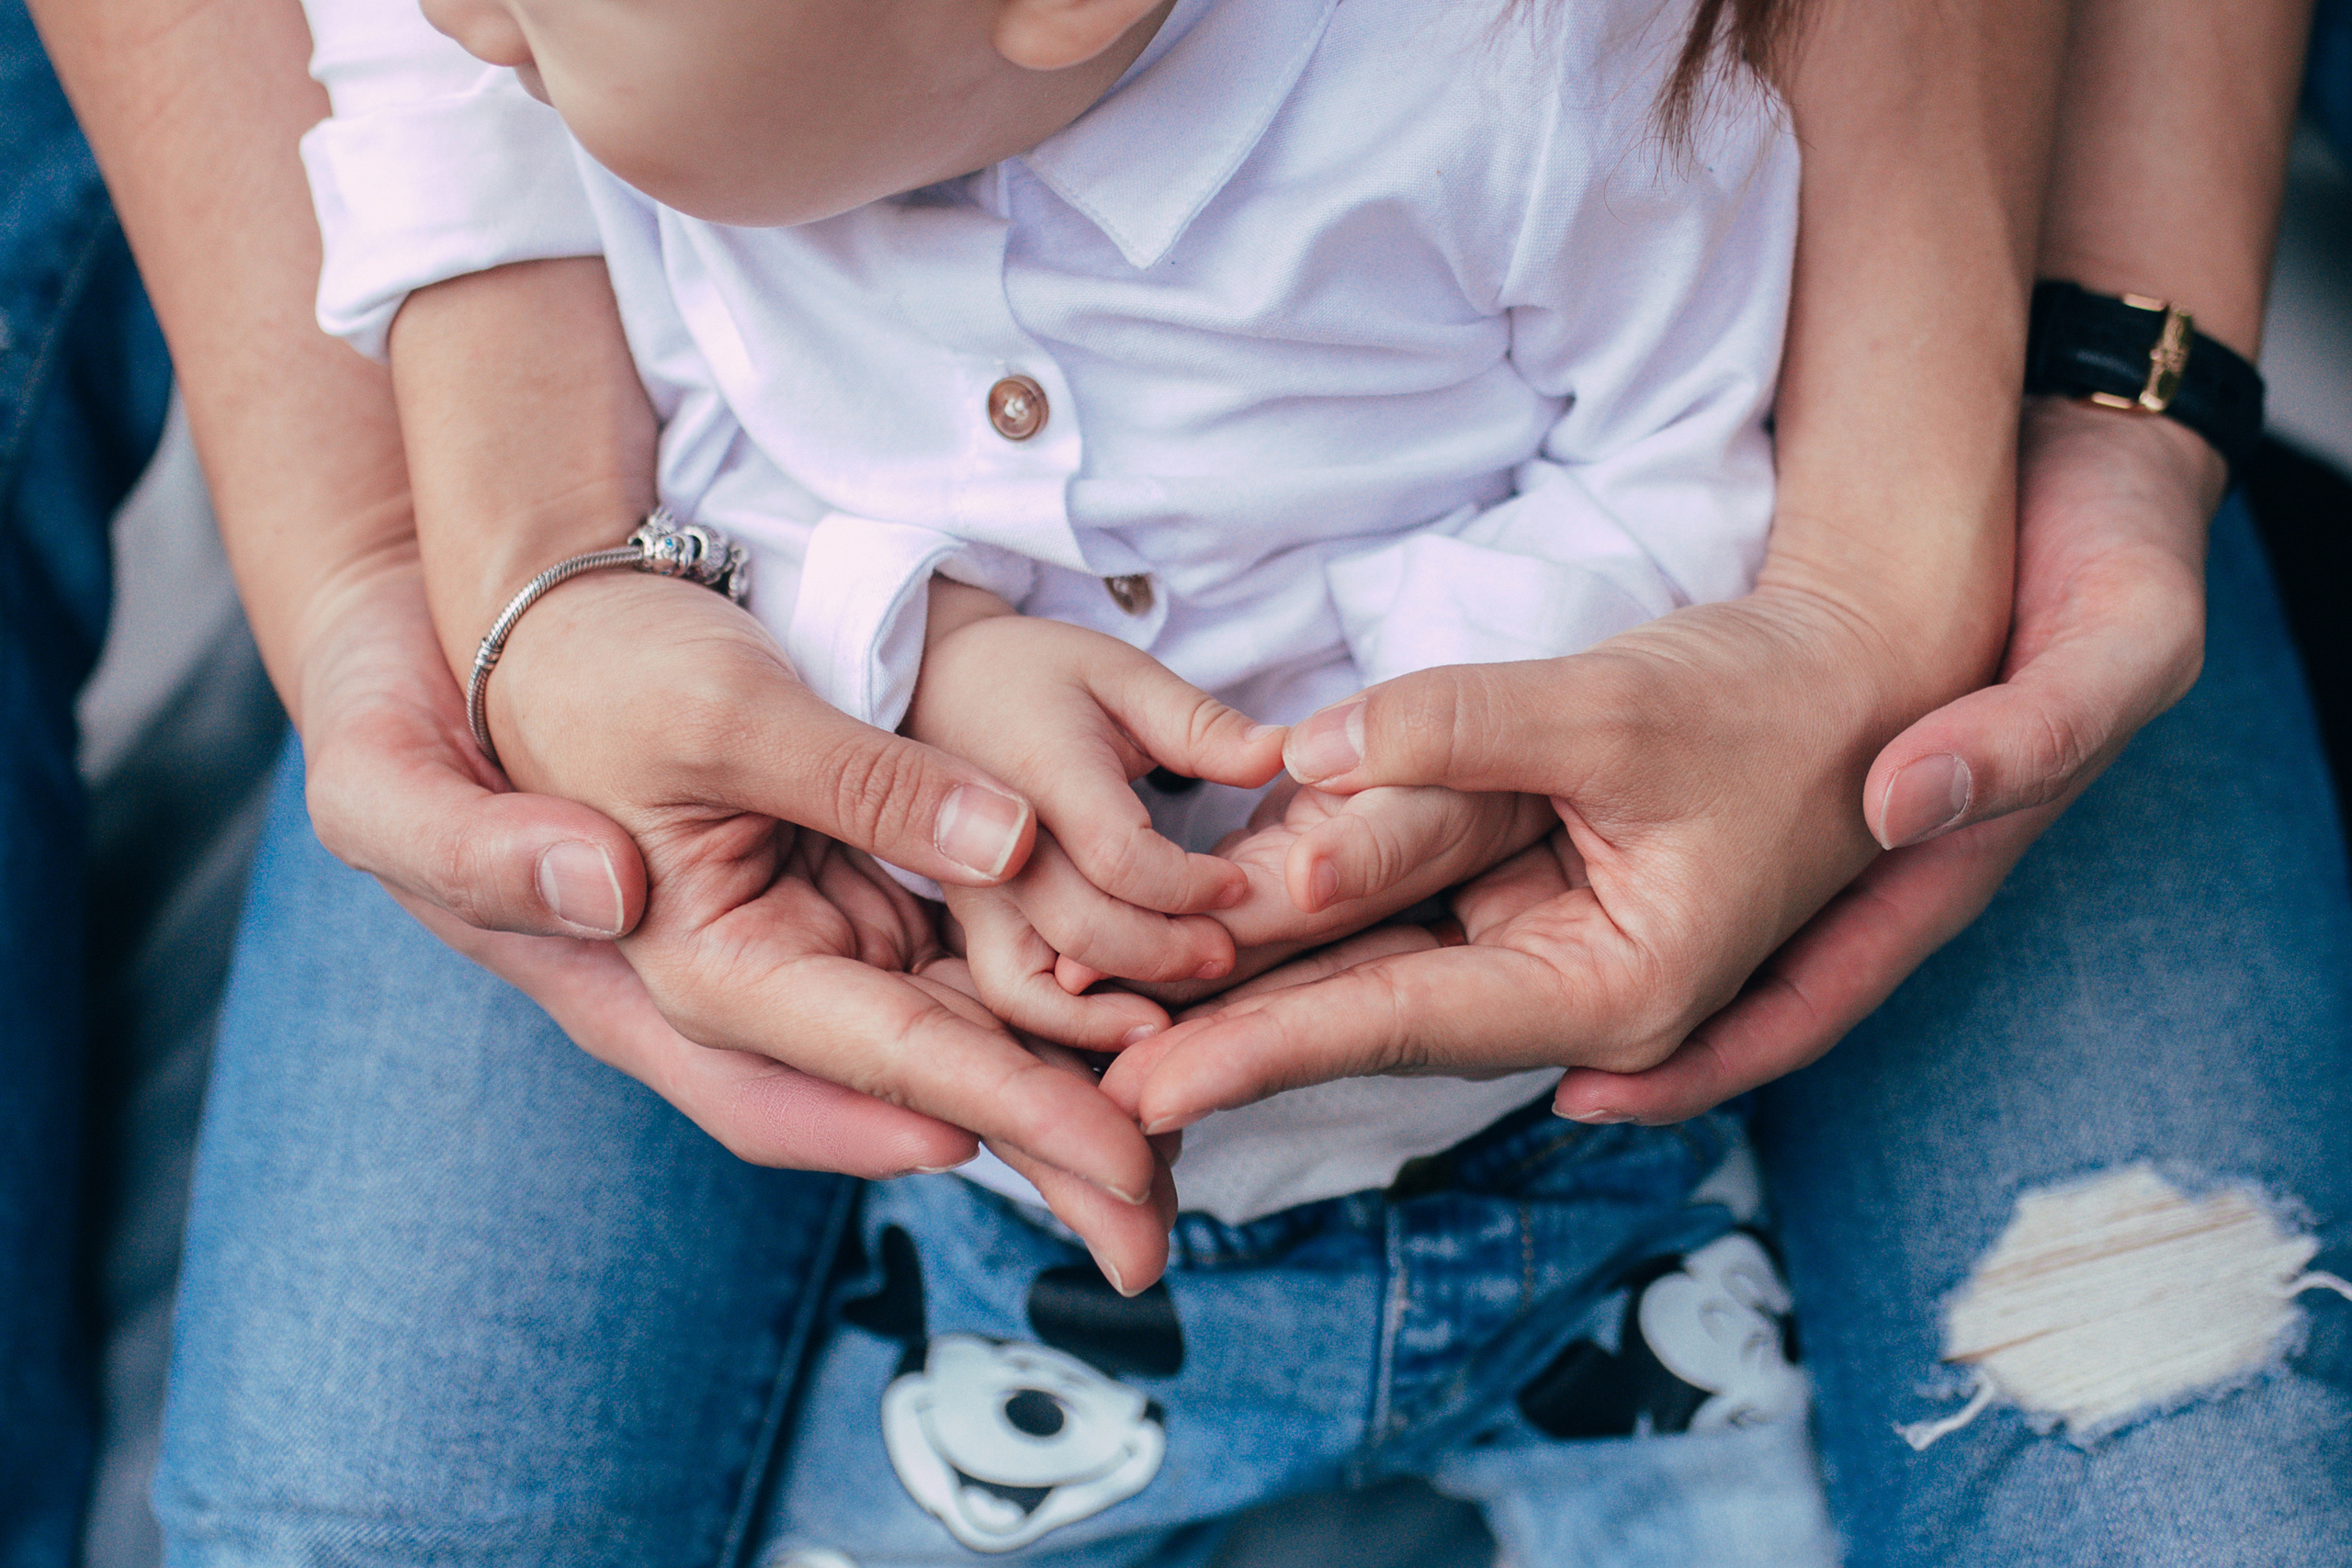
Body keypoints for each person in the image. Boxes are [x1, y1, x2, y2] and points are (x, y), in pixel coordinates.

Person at [21, 0, 2333, 1562]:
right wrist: (785, 634)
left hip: (1577, 1112)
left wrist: (1426, 749)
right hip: (996, 1185)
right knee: (354, 1500)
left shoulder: (1532, 98)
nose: (452, 18)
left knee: (2184, 1458)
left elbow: (1693, 449)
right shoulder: (606, 49)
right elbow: (617, 413)